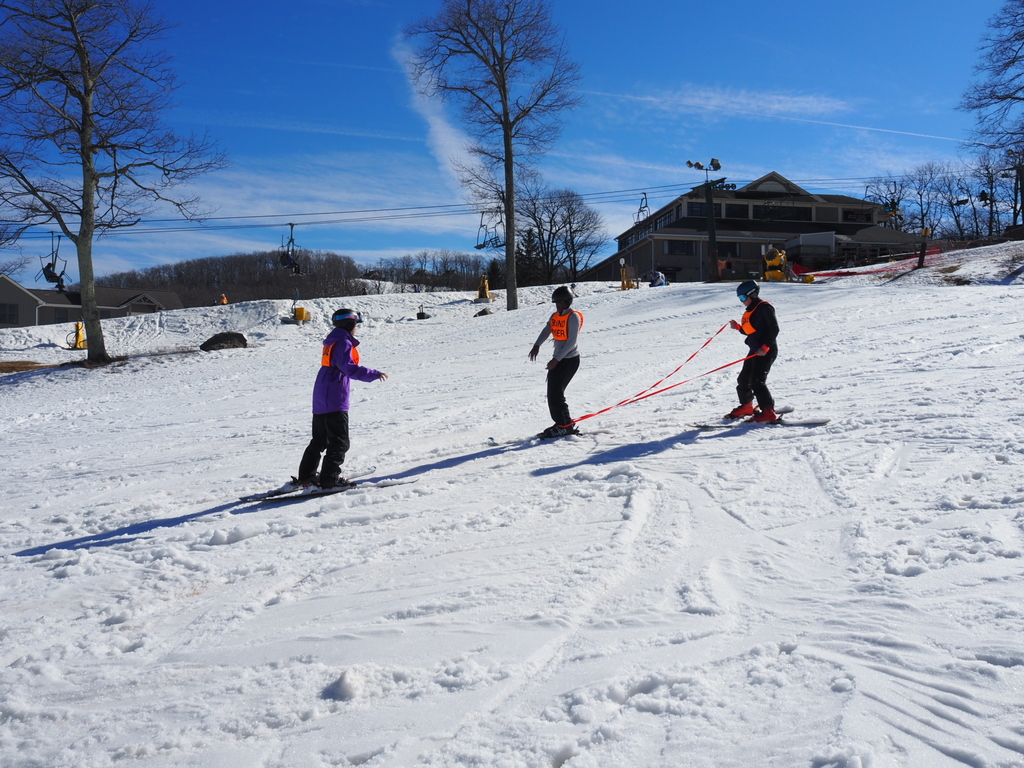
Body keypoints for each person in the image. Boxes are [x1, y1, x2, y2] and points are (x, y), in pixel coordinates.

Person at [289, 308, 388, 491]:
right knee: (339, 441)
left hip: (322, 395)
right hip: (334, 396)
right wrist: (374, 374)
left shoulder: (333, 340)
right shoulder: (343, 343)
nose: (356, 328)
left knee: (319, 440)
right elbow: (349, 368)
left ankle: (306, 477)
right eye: (356, 325)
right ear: (349, 325)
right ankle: (329, 480)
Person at [529, 286, 583, 438]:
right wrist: (536, 345)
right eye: (556, 303)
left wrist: (556, 360)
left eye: (560, 302)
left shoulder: (573, 317)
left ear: (568, 301)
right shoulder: (555, 316)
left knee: (556, 393)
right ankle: (562, 422)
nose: (557, 305)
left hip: (570, 360)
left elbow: (571, 342)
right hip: (559, 360)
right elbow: (547, 329)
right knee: (552, 393)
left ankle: (565, 426)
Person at [726, 280, 779, 423]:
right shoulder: (752, 310)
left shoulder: (765, 308)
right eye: (740, 298)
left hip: (766, 350)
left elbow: (774, 329)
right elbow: (750, 330)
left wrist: (766, 347)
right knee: (743, 379)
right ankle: (747, 407)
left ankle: (768, 412)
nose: (741, 301)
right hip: (755, 350)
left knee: (757, 381)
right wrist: (738, 327)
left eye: (743, 298)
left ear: (753, 294)